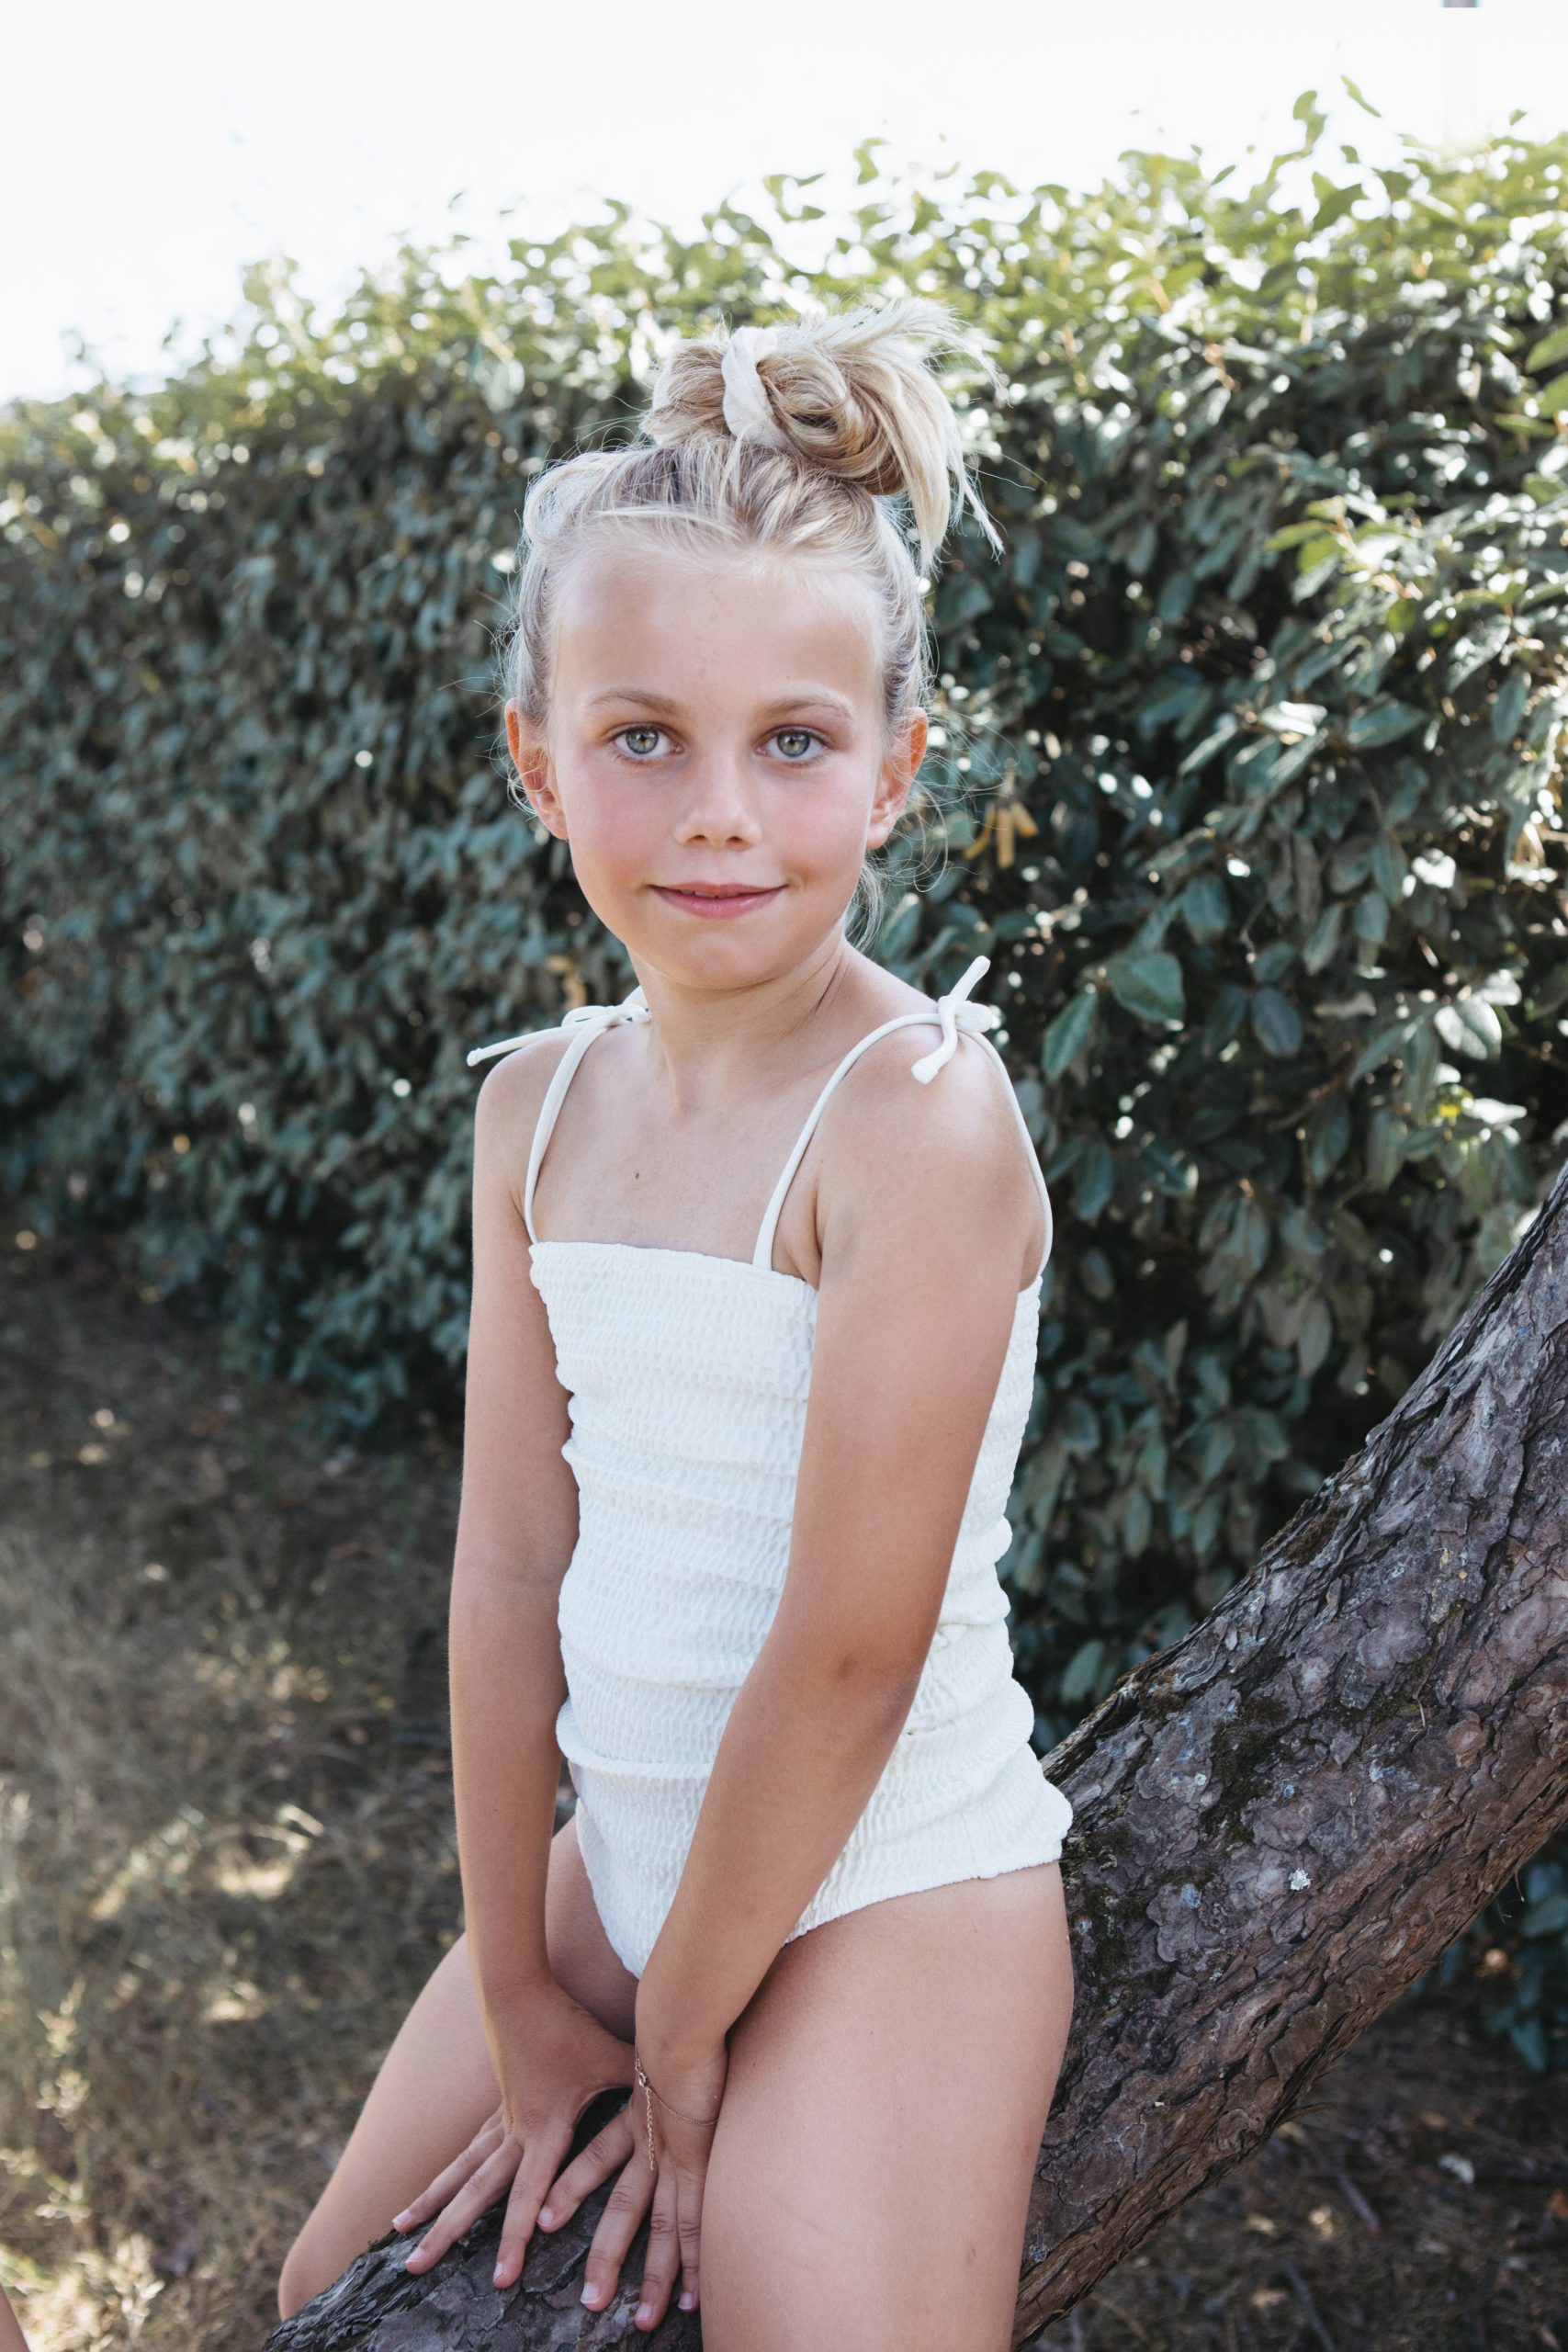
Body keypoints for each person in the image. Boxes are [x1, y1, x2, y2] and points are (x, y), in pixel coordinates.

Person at [276, 291, 1077, 2349]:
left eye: (792, 741)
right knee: (318, 2290)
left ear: (893, 774)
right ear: (538, 764)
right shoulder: (536, 1110)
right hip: (619, 1864)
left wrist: (683, 2042)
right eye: (643, 737)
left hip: (888, 1874)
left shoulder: (911, 1116)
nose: (720, 809)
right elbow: (507, 1561)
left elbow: (847, 1647)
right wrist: (521, 1985)